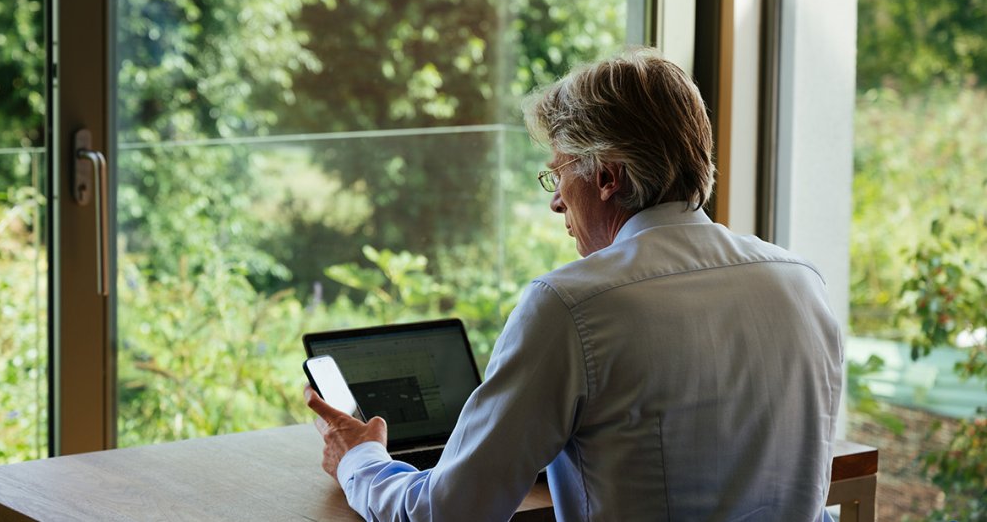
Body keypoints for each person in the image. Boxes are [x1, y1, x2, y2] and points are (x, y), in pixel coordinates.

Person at [305, 49, 844, 521]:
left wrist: (360, 460)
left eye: (559, 173)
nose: (556, 201)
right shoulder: (801, 282)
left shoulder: (572, 305)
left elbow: (451, 513)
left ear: (607, 178)